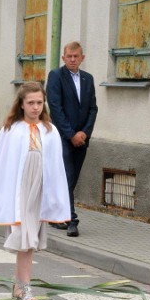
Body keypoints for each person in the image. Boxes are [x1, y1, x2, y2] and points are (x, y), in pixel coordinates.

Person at [0, 83, 70, 300]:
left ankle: (19, 285)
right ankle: (25, 289)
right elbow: (3, 165)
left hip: (39, 189)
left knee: (29, 240)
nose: (35, 107)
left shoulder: (50, 131)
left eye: (39, 103)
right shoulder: (11, 129)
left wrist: (55, 197)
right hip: (19, 190)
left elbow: (55, 167)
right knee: (25, 237)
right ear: (21, 104)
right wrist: (0, 195)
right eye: (30, 103)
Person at [46, 41, 98, 237]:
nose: (73, 59)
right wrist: (70, 134)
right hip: (62, 137)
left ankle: (56, 213)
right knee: (66, 176)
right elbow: (55, 107)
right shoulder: (56, 76)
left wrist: (84, 132)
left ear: (82, 57)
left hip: (82, 138)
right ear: (63, 58)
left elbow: (93, 108)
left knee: (72, 178)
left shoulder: (88, 78)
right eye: (69, 56)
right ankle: (71, 219)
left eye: (76, 56)